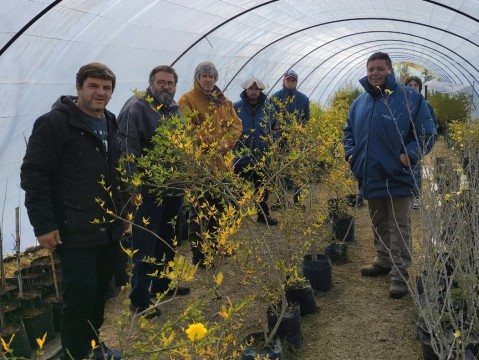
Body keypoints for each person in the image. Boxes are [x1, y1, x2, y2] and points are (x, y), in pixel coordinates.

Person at [20, 63, 122, 360]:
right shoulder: (55, 123)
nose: (100, 93)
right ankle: (75, 354)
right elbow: (34, 174)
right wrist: (43, 225)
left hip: (107, 226)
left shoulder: (110, 121)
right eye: (93, 86)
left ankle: (92, 347)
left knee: (101, 292)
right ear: (79, 88)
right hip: (74, 227)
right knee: (78, 298)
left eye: (106, 88)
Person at [343, 52, 436, 298]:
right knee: (378, 221)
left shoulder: (410, 98)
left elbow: (427, 132)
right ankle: (383, 260)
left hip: (398, 174)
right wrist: (351, 154)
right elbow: (348, 131)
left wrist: (409, 155)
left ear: (390, 71)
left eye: (380, 69)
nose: (375, 73)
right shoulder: (360, 102)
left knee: (399, 225)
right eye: (371, 69)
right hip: (369, 173)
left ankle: (399, 273)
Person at [117, 65, 190, 318]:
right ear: (151, 83)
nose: (166, 87)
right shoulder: (136, 108)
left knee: (168, 239)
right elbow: (127, 151)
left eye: (170, 83)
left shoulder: (174, 109)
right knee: (145, 244)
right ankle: (139, 298)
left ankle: (162, 285)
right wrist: (133, 189)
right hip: (148, 192)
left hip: (173, 188)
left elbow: (183, 145)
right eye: (161, 82)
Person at [178, 61, 242, 267]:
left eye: (211, 76)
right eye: (204, 76)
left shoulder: (223, 100)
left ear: (215, 79)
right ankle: (200, 255)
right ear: (197, 78)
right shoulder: (187, 100)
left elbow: (236, 125)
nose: (208, 79)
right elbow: (189, 129)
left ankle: (219, 245)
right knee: (200, 212)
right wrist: (216, 143)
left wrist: (227, 144)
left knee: (221, 207)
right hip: (199, 166)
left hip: (222, 164)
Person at [233, 77, 278, 226]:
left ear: (261, 91)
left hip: (261, 157)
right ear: (245, 90)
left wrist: (269, 142)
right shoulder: (236, 108)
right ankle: (235, 216)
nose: (253, 92)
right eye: (251, 89)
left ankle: (263, 215)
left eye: (257, 89)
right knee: (237, 189)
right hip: (241, 157)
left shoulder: (269, 108)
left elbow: (275, 128)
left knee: (262, 189)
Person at [270, 69, 310, 207]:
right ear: (284, 80)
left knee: (297, 170)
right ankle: (280, 200)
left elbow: (306, 120)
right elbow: (269, 120)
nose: (291, 82)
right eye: (288, 80)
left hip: (296, 140)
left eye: (293, 80)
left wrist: (300, 134)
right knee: (279, 170)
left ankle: (297, 201)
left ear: (296, 82)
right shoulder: (274, 98)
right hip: (279, 139)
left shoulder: (303, 99)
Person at [404, 75, 438, 209]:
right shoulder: (401, 103)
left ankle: (415, 198)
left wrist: (424, 142)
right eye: (409, 85)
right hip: (402, 142)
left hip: (416, 142)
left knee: (415, 170)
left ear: (420, 88)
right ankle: (404, 197)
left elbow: (432, 124)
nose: (412, 87)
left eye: (415, 85)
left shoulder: (425, 104)